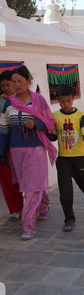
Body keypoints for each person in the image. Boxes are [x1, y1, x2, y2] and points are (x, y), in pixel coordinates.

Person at [0, 65, 56, 240]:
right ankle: (44, 205)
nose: (16, 85)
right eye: (13, 82)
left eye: (20, 81)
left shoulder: (38, 100)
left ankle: (28, 226)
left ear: (28, 82)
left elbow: (50, 122)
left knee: (31, 189)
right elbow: (3, 129)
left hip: (36, 149)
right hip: (16, 151)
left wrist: (36, 124)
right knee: (30, 185)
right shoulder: (9, 103)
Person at [50, 84, 84, 232]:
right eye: (62, 101)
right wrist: (44, 131)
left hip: (79, 159)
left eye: (68, 101)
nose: (66, 104)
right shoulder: (55, 116)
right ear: (58, 100)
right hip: (63, 159)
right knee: (65, 190)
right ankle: (69, 218)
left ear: (73, 99)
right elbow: (52, 136)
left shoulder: (80, 115)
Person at [0, 70, 23, 221]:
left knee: (20, 181)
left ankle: (29, 207)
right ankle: (15, 209)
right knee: (6, 181)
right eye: (3, 86)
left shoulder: (24, 101)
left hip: (18, 146)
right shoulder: (2, 101)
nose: (7, 88)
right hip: (3, 146)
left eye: (9, 84)